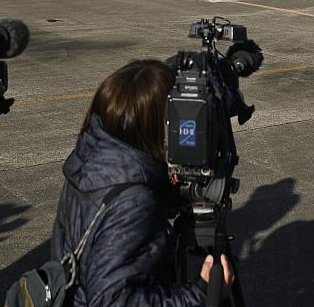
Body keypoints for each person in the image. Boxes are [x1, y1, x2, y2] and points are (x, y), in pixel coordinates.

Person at [52, 59, 233, 306]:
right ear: (159, 126)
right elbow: (113, 301)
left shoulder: (92, 161)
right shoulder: (133, 202)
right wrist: (200, 294)